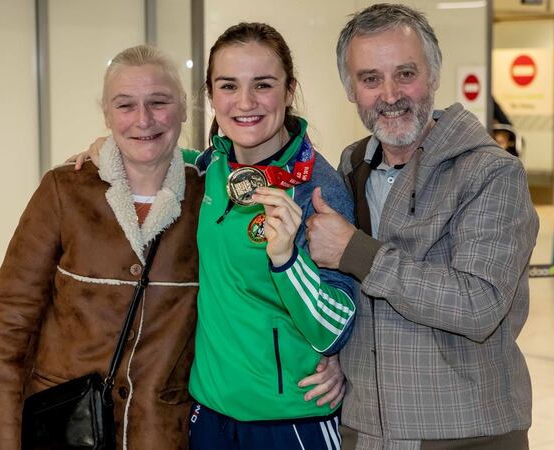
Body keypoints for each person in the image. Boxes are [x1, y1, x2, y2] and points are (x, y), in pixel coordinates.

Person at [72, 24, 356, 450]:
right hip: (209, 415)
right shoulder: (210, 169)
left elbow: (334, 330)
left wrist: (286, 262)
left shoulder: (317, 189)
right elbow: (164, 155)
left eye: (263, 85)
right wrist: (110, 147)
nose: (245, 103)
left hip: (290, 421)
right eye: (228, 86)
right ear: (210, 95)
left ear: (289, 90)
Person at [305, 4, 539, 449]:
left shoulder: (492, 174)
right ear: (351, 89)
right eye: (370, 78)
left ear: (432, 75)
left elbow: (479, 305)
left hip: (465, 433)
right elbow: (344, 294)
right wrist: (338, 357)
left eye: (405, 73)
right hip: (366, 429)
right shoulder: (352, 165)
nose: (390, 94)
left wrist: (356, 250)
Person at [0, 45, 204, 450]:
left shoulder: (208, 202)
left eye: (159, 102)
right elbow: (9, 327)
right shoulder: (64, 192)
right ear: (106, 113)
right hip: (66, 427)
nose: (143, 119)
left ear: (184, 108)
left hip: (164, 433)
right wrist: (0, 440)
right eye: (125, 105)